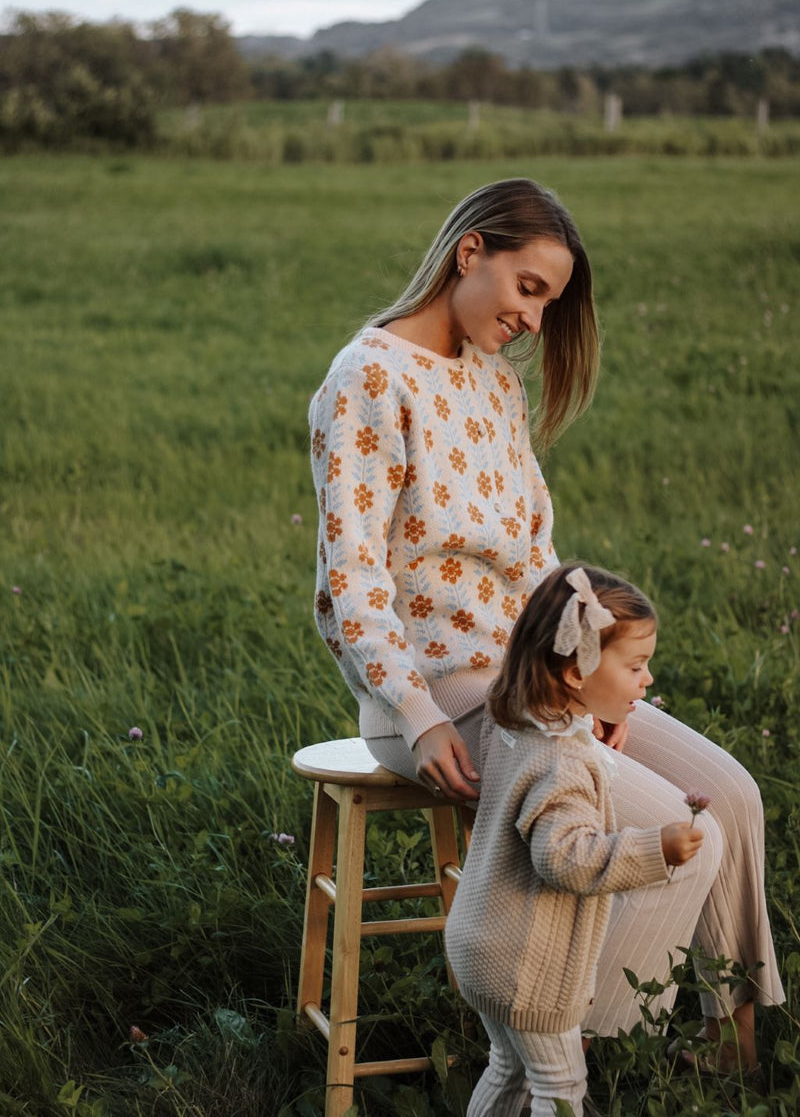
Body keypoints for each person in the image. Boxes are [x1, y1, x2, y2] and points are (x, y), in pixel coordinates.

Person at [308, 177, 783, 1081]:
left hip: (539, 681)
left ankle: (735, 1058)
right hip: (438, 697)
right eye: (529, 288)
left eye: (550, 303)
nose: (534, 319)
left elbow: (538, 563)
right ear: (470, 251)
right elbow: (352, 580)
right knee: (681, 839)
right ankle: (554, 1058)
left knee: (732, 798)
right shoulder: (369, 378)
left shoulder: (493, 385)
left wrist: (596, 675)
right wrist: (418, 716)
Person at [444, 563, 705, 1116]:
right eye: (636, 666)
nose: (648, 679)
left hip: (482, 941)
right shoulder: (561, 762)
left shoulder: (519, 718)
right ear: (574, 673)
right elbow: (566, 860)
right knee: (560, 1086)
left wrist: (589, 724)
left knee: (508, 1067)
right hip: (525, 965)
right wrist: (653, 849)